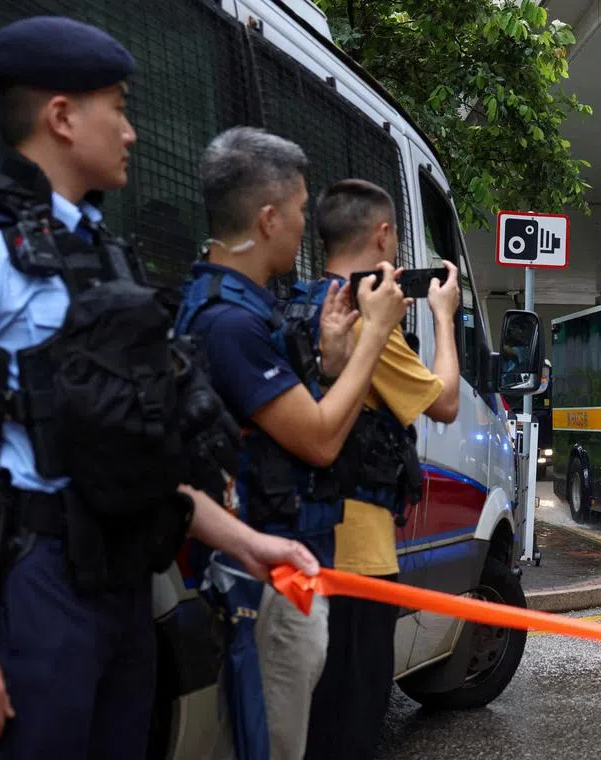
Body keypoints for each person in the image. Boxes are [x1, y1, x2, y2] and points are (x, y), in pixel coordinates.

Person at [0, 17, 316, 760]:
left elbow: (141, 458)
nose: (132, 132)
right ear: (61, 118)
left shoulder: (107, 257)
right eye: (118, 107)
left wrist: (249, 544)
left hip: (121, 584)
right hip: (35, 586)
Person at [176, 128, 407, 760]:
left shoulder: (252, 310)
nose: (308, 225)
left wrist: (331, 364)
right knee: (274, 742)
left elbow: (287, 420)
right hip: (261, 574)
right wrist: (373, 335)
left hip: (280, 561)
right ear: (269, 218)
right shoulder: (229, 321)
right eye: (302, 210)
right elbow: (320, 442)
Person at [301, 178, 461, 760]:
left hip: (304, 541)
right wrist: (444, 317)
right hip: (358, 554)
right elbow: (444, 401)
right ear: (384, 234)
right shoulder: (371, 318)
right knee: (351, 717)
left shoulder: (306, 300)